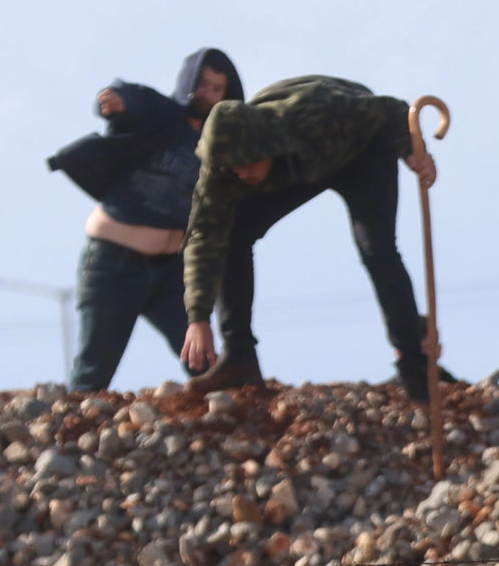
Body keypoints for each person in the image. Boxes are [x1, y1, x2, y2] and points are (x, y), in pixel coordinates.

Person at [176, 75, 443, 399]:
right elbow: (203, 235)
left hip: (361, 148)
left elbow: (394, 112)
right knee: (233, 232)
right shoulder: (223, 169)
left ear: (264, 146)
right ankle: (240, 359)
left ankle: (415, 363)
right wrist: (198, 316)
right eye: (232, 169)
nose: (241, 174)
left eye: (246, 164)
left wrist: (413, 152)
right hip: (298, 166)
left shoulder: (319, 112)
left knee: (377, 249)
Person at [48, 48, 243, 391]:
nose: (209, 94)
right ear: (189, 82)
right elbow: (132, 100)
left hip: (171, 271)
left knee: (207, 365)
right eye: (204, 84)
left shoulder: (220, 143)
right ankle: (69, 443)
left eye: (218, 88)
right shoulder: (163, 116)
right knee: (93, 374)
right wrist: (116, 102)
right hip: (113, 265)